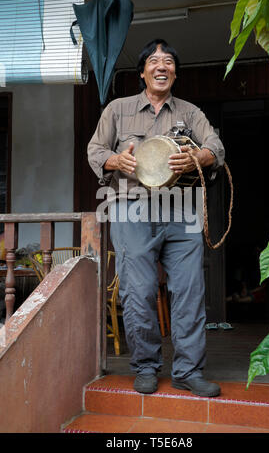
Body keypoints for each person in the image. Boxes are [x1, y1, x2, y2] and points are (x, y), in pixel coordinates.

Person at [88, 39, 225, 397]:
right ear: (143, 72)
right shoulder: (118, 110)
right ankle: (146, 366)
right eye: (153, 60)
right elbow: (95, 149)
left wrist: (200, 157)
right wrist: (117, 161)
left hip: (181, 208)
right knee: (139, 291)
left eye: (168, 61)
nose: (161, 66)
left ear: (175, 73)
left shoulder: (191, 113)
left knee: (190, 291)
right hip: (131, 207)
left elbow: (217, 147)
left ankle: (188, 371)